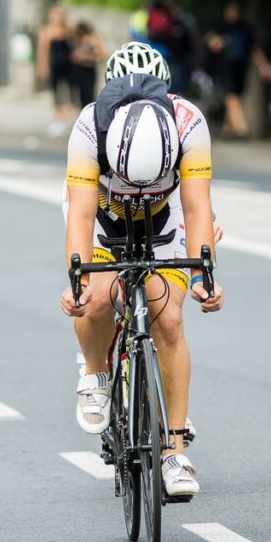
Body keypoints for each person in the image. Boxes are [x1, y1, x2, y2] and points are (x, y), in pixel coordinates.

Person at [61, 41, 224, 497]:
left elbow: (197, 206)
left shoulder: (189, 124)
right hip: (102, 219)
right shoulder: (89, 128)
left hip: (164, 221)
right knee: (96, 299)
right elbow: (80, 216)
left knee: (168, 319)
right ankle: (95, 372)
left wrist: (203, 277)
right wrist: (78, 282)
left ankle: (174, 452)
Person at [207, 1, 271, 138]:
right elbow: (211, 42)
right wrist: (216, 43)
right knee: (231, 96)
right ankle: (241, 128)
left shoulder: (246, 28)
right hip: (225, 67)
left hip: (240, 66)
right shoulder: (221, 28)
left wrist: (263, 65)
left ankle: (227, 129)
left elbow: (254, 49)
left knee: (236, 96)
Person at [37, 5, 75, 137]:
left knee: (69, 92)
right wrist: (43, 67)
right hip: (54, 66)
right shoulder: (47, 32)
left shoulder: (68, 31)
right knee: (56, 93)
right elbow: (43, 52)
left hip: (68, 66)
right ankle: (58, 119)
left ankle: (69, 118)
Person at [68, 21, 104, 108]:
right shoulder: (76, 40)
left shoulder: (93, 40)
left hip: (89, 69)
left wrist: (84, 57)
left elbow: (100, 56)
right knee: (79, 95)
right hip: (78, 70)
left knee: (89, 94)